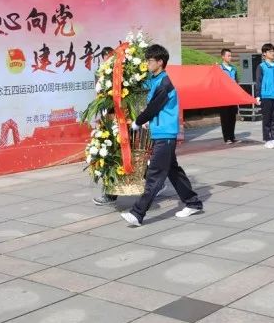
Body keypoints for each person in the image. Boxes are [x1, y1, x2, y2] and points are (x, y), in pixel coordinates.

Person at [120, 44, 203, 226]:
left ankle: (137, 213)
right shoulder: (155, 79)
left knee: (155, 175)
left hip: (165, 134)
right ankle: (193, 202)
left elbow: (153, 108)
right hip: (161, 133)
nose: (147, 64)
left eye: (150, 61)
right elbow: (140, 84)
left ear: (160, 62)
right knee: (173, 171)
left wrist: (137, 122)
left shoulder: (165, 84)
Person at [92, 47, 118, 206]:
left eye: (112, 58)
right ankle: (110, 194)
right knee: (109, 156)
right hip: (109, 122)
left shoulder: (126, 74)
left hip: (126, 121)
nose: (109, 62)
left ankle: (155, 185)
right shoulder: (100, 75)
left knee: (135, 157)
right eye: (107, 59)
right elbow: (99, 98)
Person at [254, 43, 274, 148]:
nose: (272, 53)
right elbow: (258, 81)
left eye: (273, 51)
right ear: (264, 54)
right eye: (270, 51)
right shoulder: (261, 67)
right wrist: (258, 95)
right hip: (266, 96)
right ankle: (267, 139)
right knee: (267, 119)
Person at [218, 48, 239, 143]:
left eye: (231, 55)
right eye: (228, 56)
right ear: (223, 56)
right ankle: (226, 138)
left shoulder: (233, 69)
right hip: (223, 97)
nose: (230, 57)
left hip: (233, 97)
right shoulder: (219, 68)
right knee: (225, 118)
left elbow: (237, 82)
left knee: (232, 117)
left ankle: (232, 136)